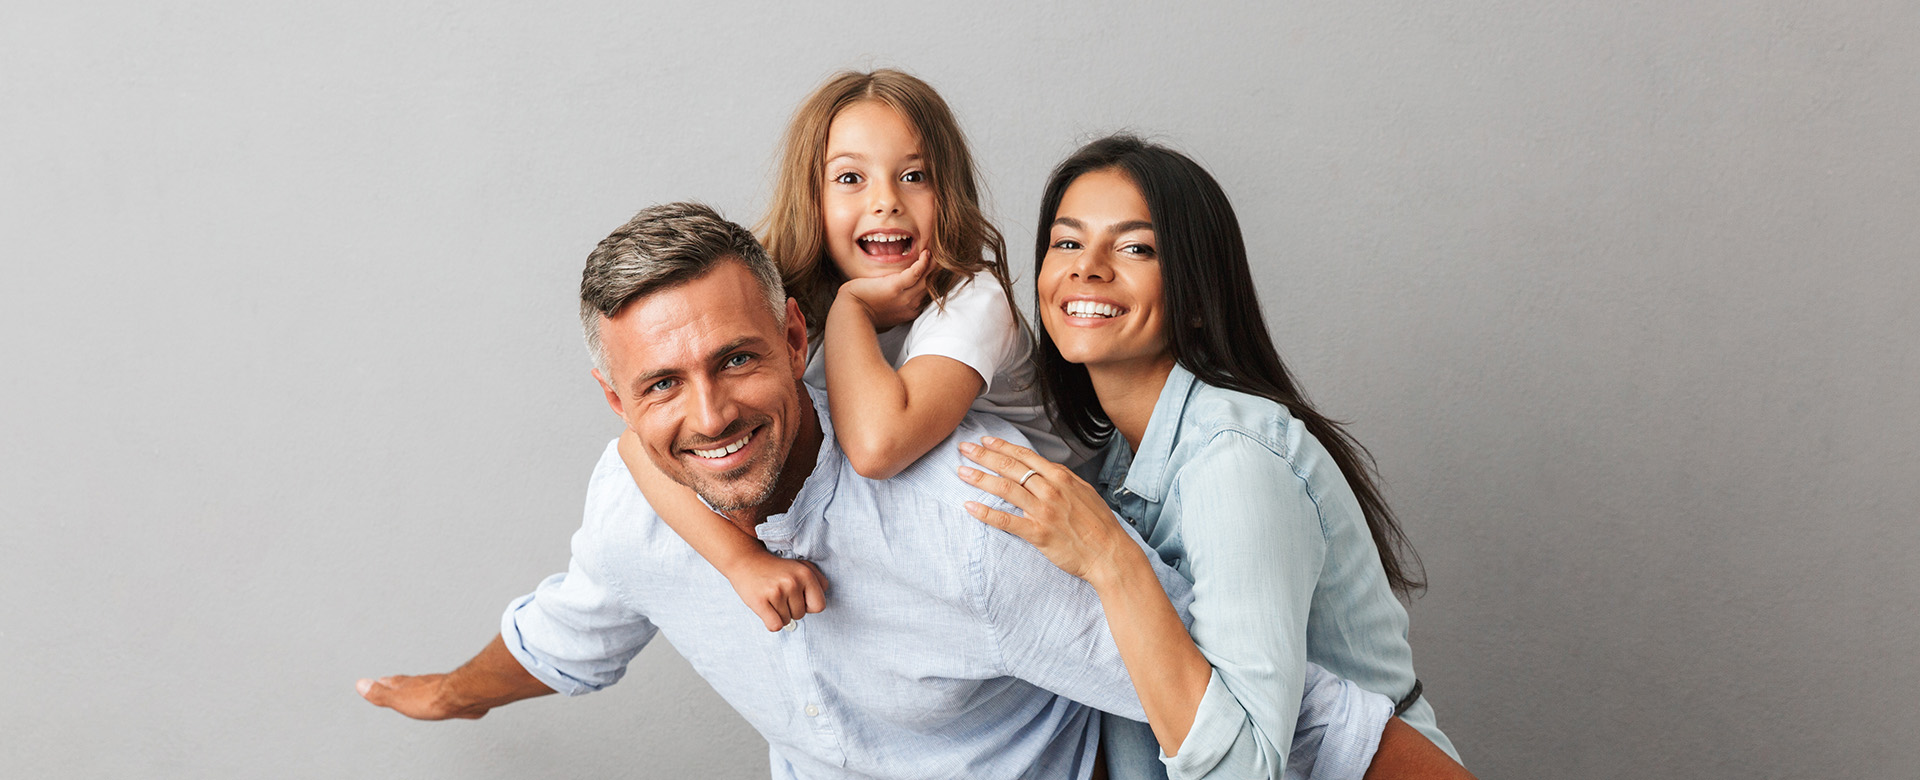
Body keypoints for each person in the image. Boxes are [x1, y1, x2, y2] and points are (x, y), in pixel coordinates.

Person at [354, 202, 1409, 780]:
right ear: (613, 399)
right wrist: (451, 692)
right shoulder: (638, 505)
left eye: (737, 361)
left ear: (800, 339)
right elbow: (563, 636)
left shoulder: (975, 519)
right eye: (662, 385)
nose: (710, 414)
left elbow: (1286, 717)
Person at [959, 136, 1466, 779]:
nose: (1087, 268)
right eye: (1066, 242)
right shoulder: (1116, 456)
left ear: (1197, 297)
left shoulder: (1234, 465)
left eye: (1136, 247)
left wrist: (1109, 558)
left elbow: (1242, 773)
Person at [613, 69, 1078, 634]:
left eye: (914, 176)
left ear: (948, 192)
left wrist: (851, 310)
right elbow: (636, 447)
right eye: (851, 178)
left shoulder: (972, 299)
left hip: (1058, 548)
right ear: (812, 195)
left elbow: (878, 448)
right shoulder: (784, 302)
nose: (886, 202)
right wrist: (741, 562)